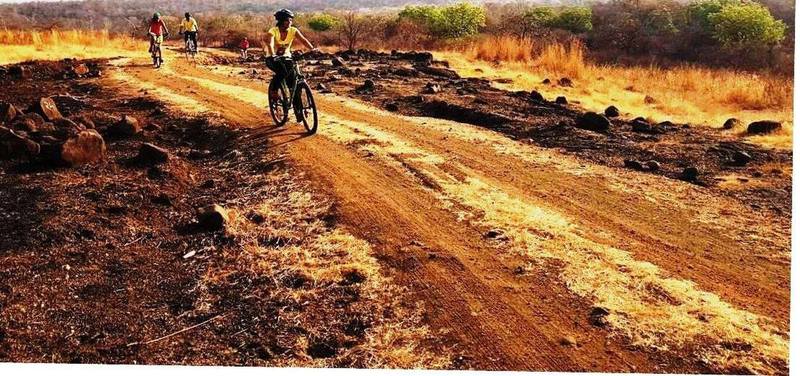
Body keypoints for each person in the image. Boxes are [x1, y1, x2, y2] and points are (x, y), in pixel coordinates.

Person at [265, 9, 317, 122]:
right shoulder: (273, 31)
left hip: (286, 57)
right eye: (287, 20)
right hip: (272, 58)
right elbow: (270, 42)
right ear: (281, 21)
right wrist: (272, 53)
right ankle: (274, 90)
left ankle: (299, 112)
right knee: (282, 72)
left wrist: (312, 49)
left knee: (293, 83)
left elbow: (303, 40)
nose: (290, 22)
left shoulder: (293, 30)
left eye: (291, 20)